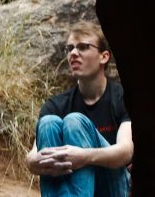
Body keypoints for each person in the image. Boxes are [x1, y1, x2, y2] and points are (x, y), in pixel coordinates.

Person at [27, 21, 133, 196]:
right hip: (70, 184)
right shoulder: (55, 104)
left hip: (113, 187)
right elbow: (32, 155)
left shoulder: (123, 97)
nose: (73, 53)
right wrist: (34, 162)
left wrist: (84, 156)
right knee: (48, 123)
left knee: (74, 121)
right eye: (69, 49)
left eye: (83, 47)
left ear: (104, 57)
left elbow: (125, 151)